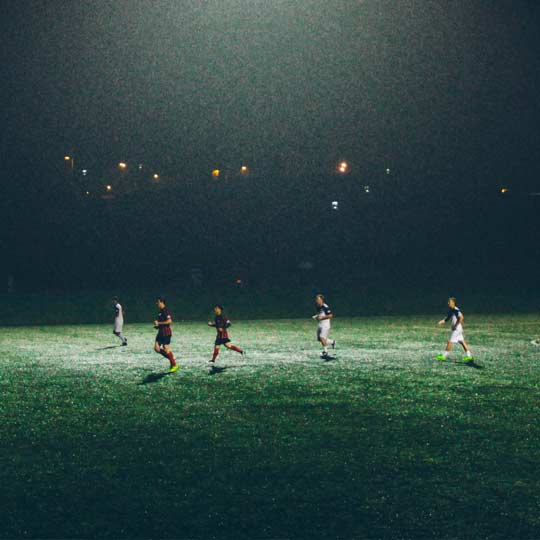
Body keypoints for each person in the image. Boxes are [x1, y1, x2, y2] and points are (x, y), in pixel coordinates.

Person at [436, 297, 474, 362]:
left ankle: (444, 356)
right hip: (459, 329)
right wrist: (441, 322)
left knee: (450, 342)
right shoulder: (452, 310)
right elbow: (447, 318)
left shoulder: (456, 309)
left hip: (457, 329)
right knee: (462, 342)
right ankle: (469, 356)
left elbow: (461, 317)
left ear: (453, 303)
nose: (448, 303)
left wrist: (455, 325)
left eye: (449, 302)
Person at [153, 297, 178, 373]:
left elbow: (169, 321)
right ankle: (171, 359)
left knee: (166, 348)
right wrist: (157, 326)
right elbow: (162, 323)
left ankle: (174, 364)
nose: (157, 303)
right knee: (156, 348)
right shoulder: (160, 312)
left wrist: (159, 323)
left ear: (162, 302)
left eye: (158, 302)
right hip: (160, 333)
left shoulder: (165, 311)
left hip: (166, 333)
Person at [312, 294, 336, 359]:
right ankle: (332, 342)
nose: (317, 300)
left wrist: (322, 317)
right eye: (316, 299)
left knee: (322, 337)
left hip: (325, 324)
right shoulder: (317, 306)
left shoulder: (325, 306)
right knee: (319, 339)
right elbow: (319, 314)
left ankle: (325, 352)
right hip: (320, 324)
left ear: (322, 300)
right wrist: (316, 316)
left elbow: (330, 315)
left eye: (318, 299)